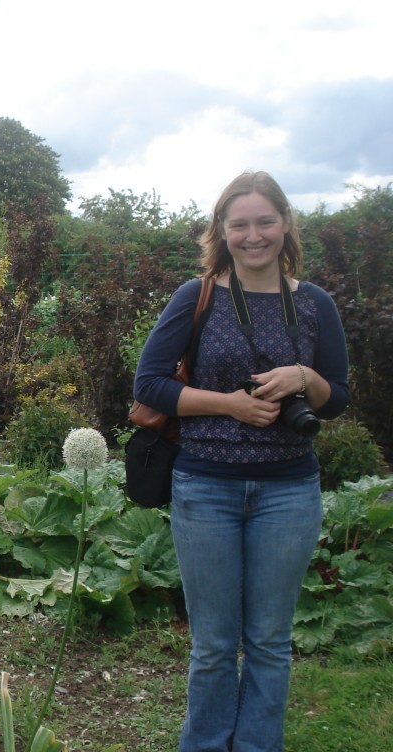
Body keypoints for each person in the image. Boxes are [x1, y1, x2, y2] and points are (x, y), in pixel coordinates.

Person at [133, 171, 350, 752]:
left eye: (265, 222)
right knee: (211, 644)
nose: (254, 236)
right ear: (222, 232)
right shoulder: (197, 294)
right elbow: (149, 384)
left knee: (271, 641)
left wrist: (307, 378)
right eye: (240, 225)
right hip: (207, 487)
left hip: (288, 492)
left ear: (284, 224)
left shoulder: (314, 304)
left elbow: (340, 400)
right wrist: (230, 405)